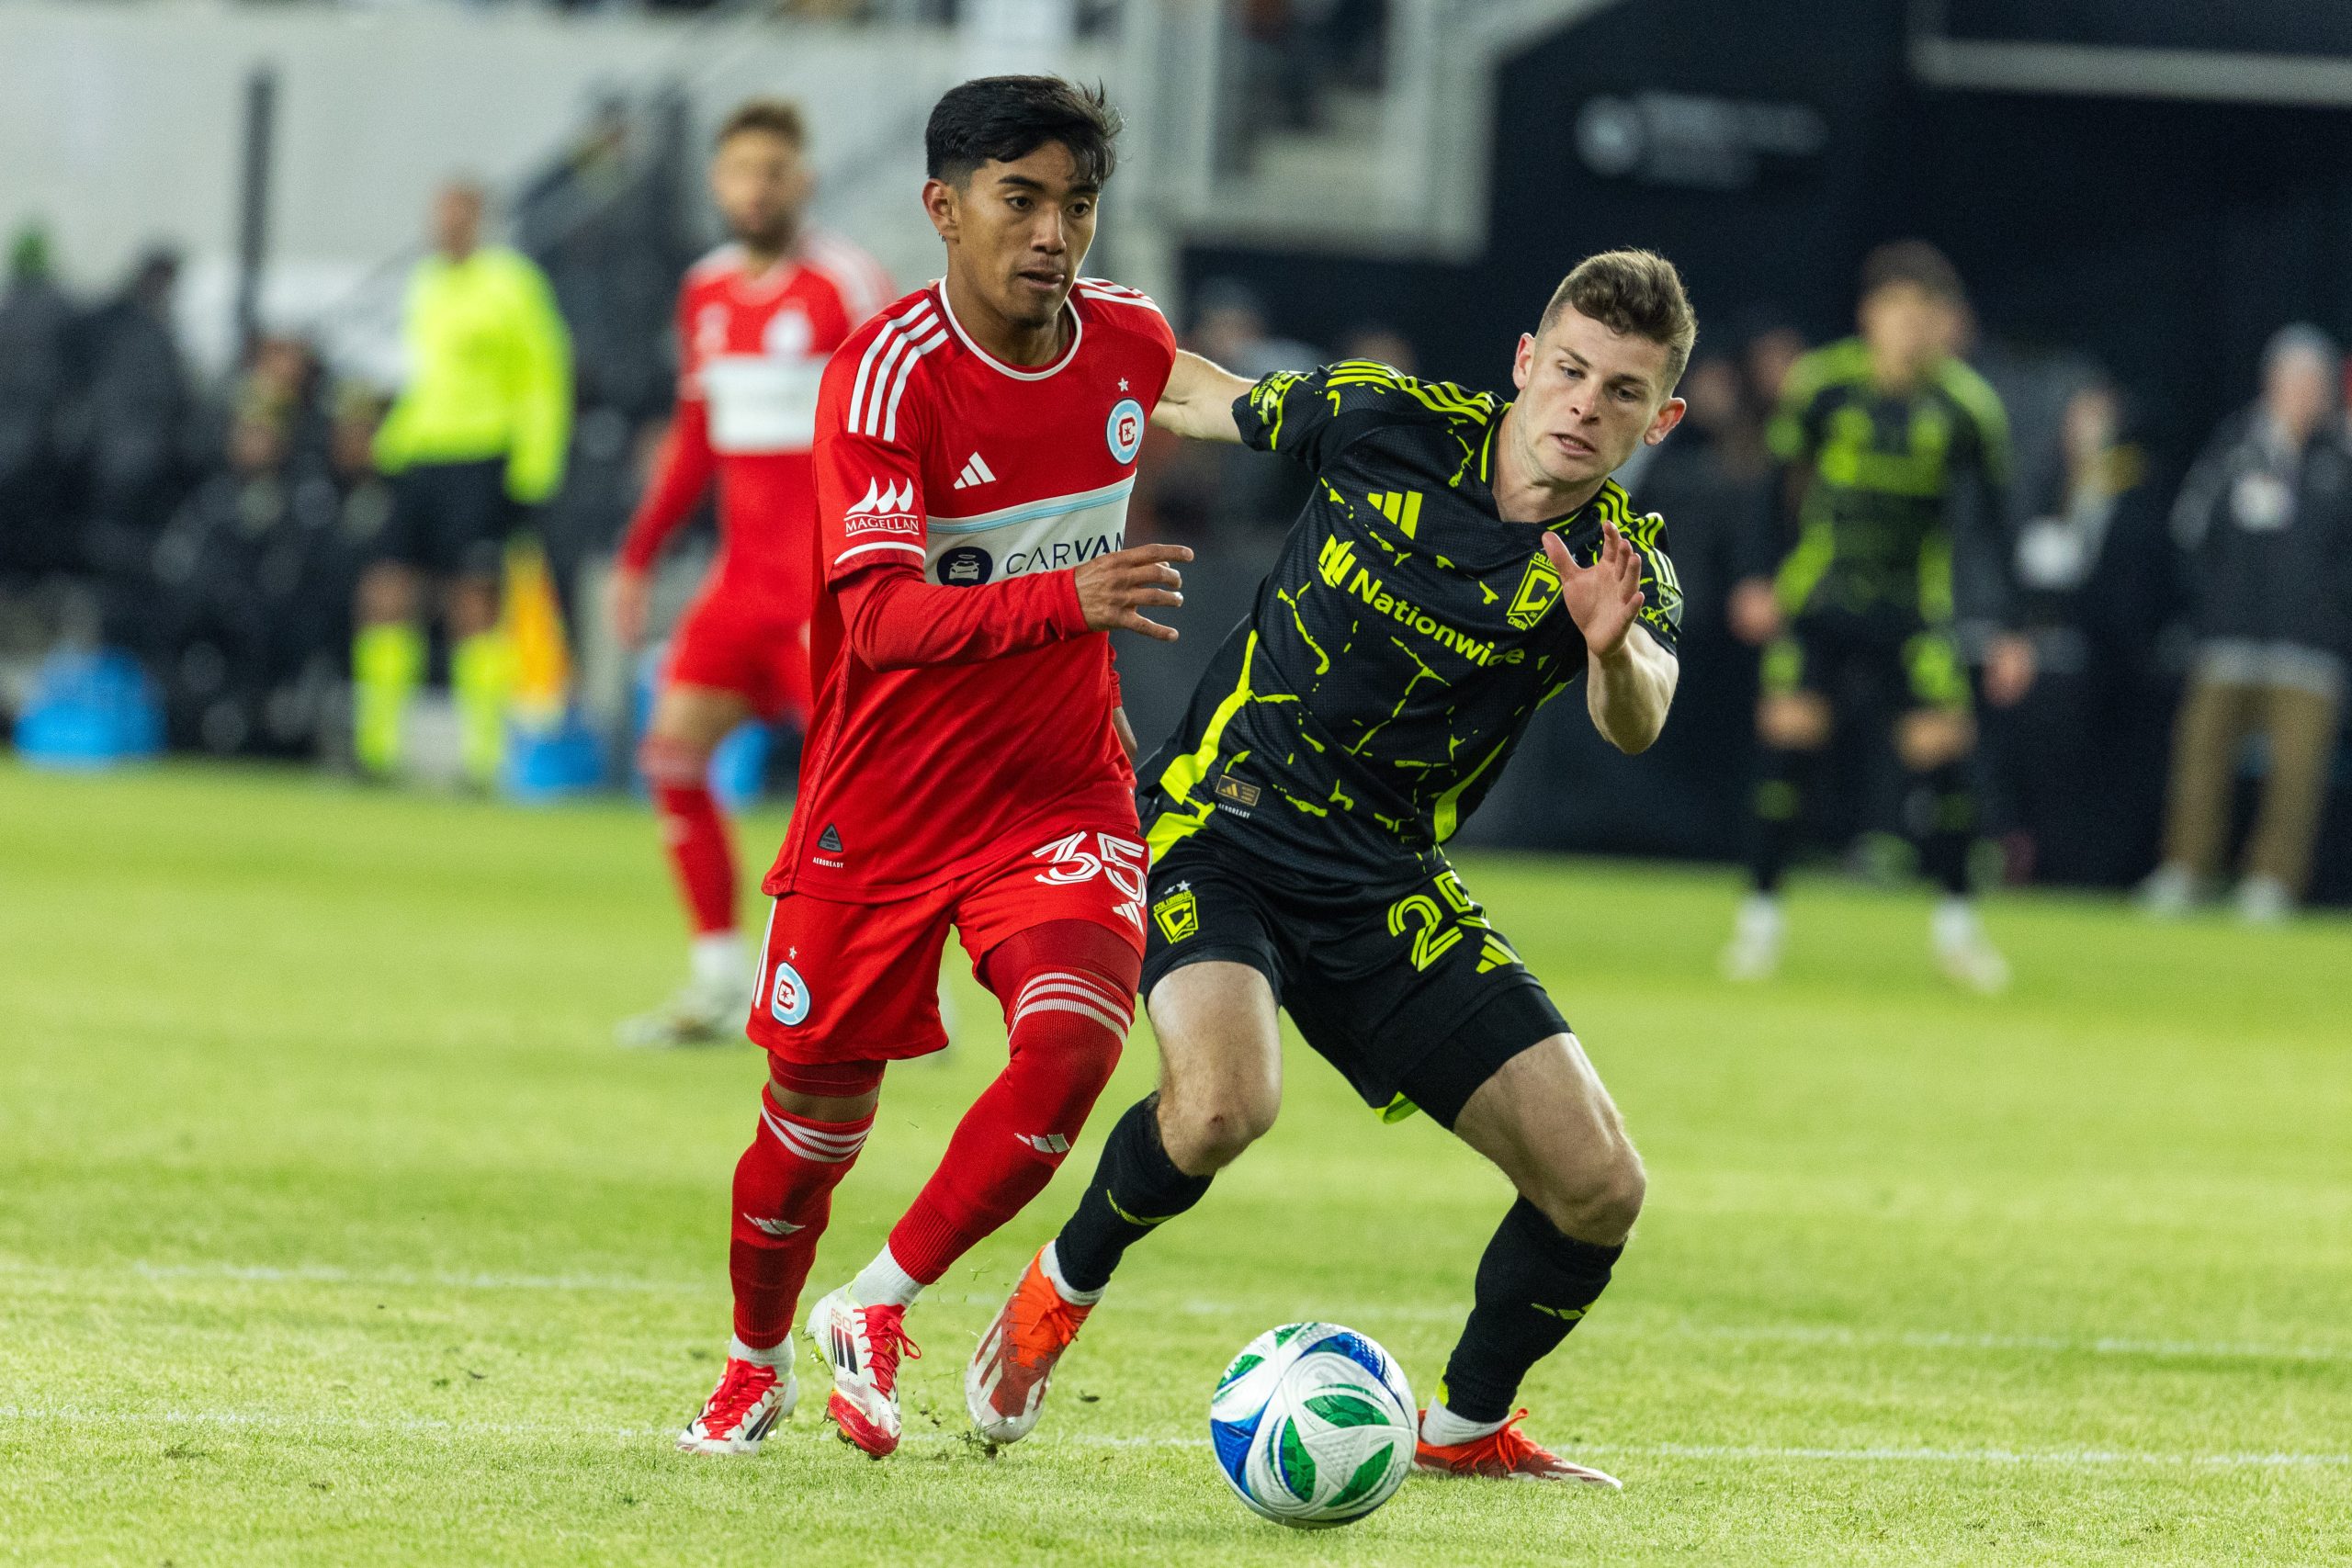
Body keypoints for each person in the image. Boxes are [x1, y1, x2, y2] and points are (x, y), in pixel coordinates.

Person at [967, 251, 1692, 1487]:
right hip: (1224, 822)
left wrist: (1610, 652)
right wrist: (1053, 323)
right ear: (1526, 361)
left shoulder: (1620, 560)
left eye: (1623, 392)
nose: (1585, 406)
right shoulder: (1385, 420)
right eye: (1569, 371)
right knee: (1221, 1105)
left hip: (1383, 880)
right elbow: (1203, 395)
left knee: (1599, 1183)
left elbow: (1643, 713)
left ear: (1661, 417)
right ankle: (1053, 1292)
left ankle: (1462, 1430)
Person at [676, 74, 1235, 1461]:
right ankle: (754, 1363)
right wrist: (1067, 597)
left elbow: (1239, 402)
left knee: (1073, 1042)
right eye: (1023, 200)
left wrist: (1417, 430)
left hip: (1058, 790)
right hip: (883, 801)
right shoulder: (885, 375)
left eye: (1079, 204)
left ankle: (876, 1302)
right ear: (944, 209)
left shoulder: (1123, 338)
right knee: (808, 1127)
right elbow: (875, 617)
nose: (1056, 233)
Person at [608, 99, 893, 1047]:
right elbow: (697, 439)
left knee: (858, 800)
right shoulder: (704, 293)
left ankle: (870, 992)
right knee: (671, 756)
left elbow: (901, 429)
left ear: (802, 181)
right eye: (741, 171)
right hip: (739, 588)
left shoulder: (846, 286)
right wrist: (640, 555)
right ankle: (720, 980)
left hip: (829, 589)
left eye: (775, 170)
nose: (757, 188)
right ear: (717, 183)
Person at [1722, 242, 2031, 989]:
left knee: (1948, 767)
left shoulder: (1966, 408)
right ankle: (1759, 921)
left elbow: (1996, 524)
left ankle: (1958, 930)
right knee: (1787, 757)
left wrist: (2014, 626)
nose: (1909, 331)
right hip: (1822, 602)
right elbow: (1773, 488)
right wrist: (1758, 578)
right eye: (1896, 313)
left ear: (1944, 325)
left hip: (1911, 611)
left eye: (1924, 317)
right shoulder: (1824, 387)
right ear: (1871, 316)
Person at [354, 181, 571, 787]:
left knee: (473, 603)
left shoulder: (513, 284)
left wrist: (535, 466)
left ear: (480, 221)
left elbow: (544, 373)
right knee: (385, 592)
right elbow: (420, 373)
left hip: (482, 458)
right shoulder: (425, 283)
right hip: (418, 456)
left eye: (457, 216)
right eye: (438, 215)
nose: (445, 227)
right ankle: (377, 748)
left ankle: (484, 756)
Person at [2140, 325, 2352, 922]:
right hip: (2227, 638)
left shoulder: (2341, 459)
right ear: (2272, 383)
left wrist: (2331, 614)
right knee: (2201, 756)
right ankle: (2187, 868)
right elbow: (2189, 530)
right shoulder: (2234, 447)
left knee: (2296, 772)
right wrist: (2214, 605)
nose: (2304, 395)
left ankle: (2272, 880)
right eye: (2294, 381)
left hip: (2308, 647)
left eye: (2316, 384)